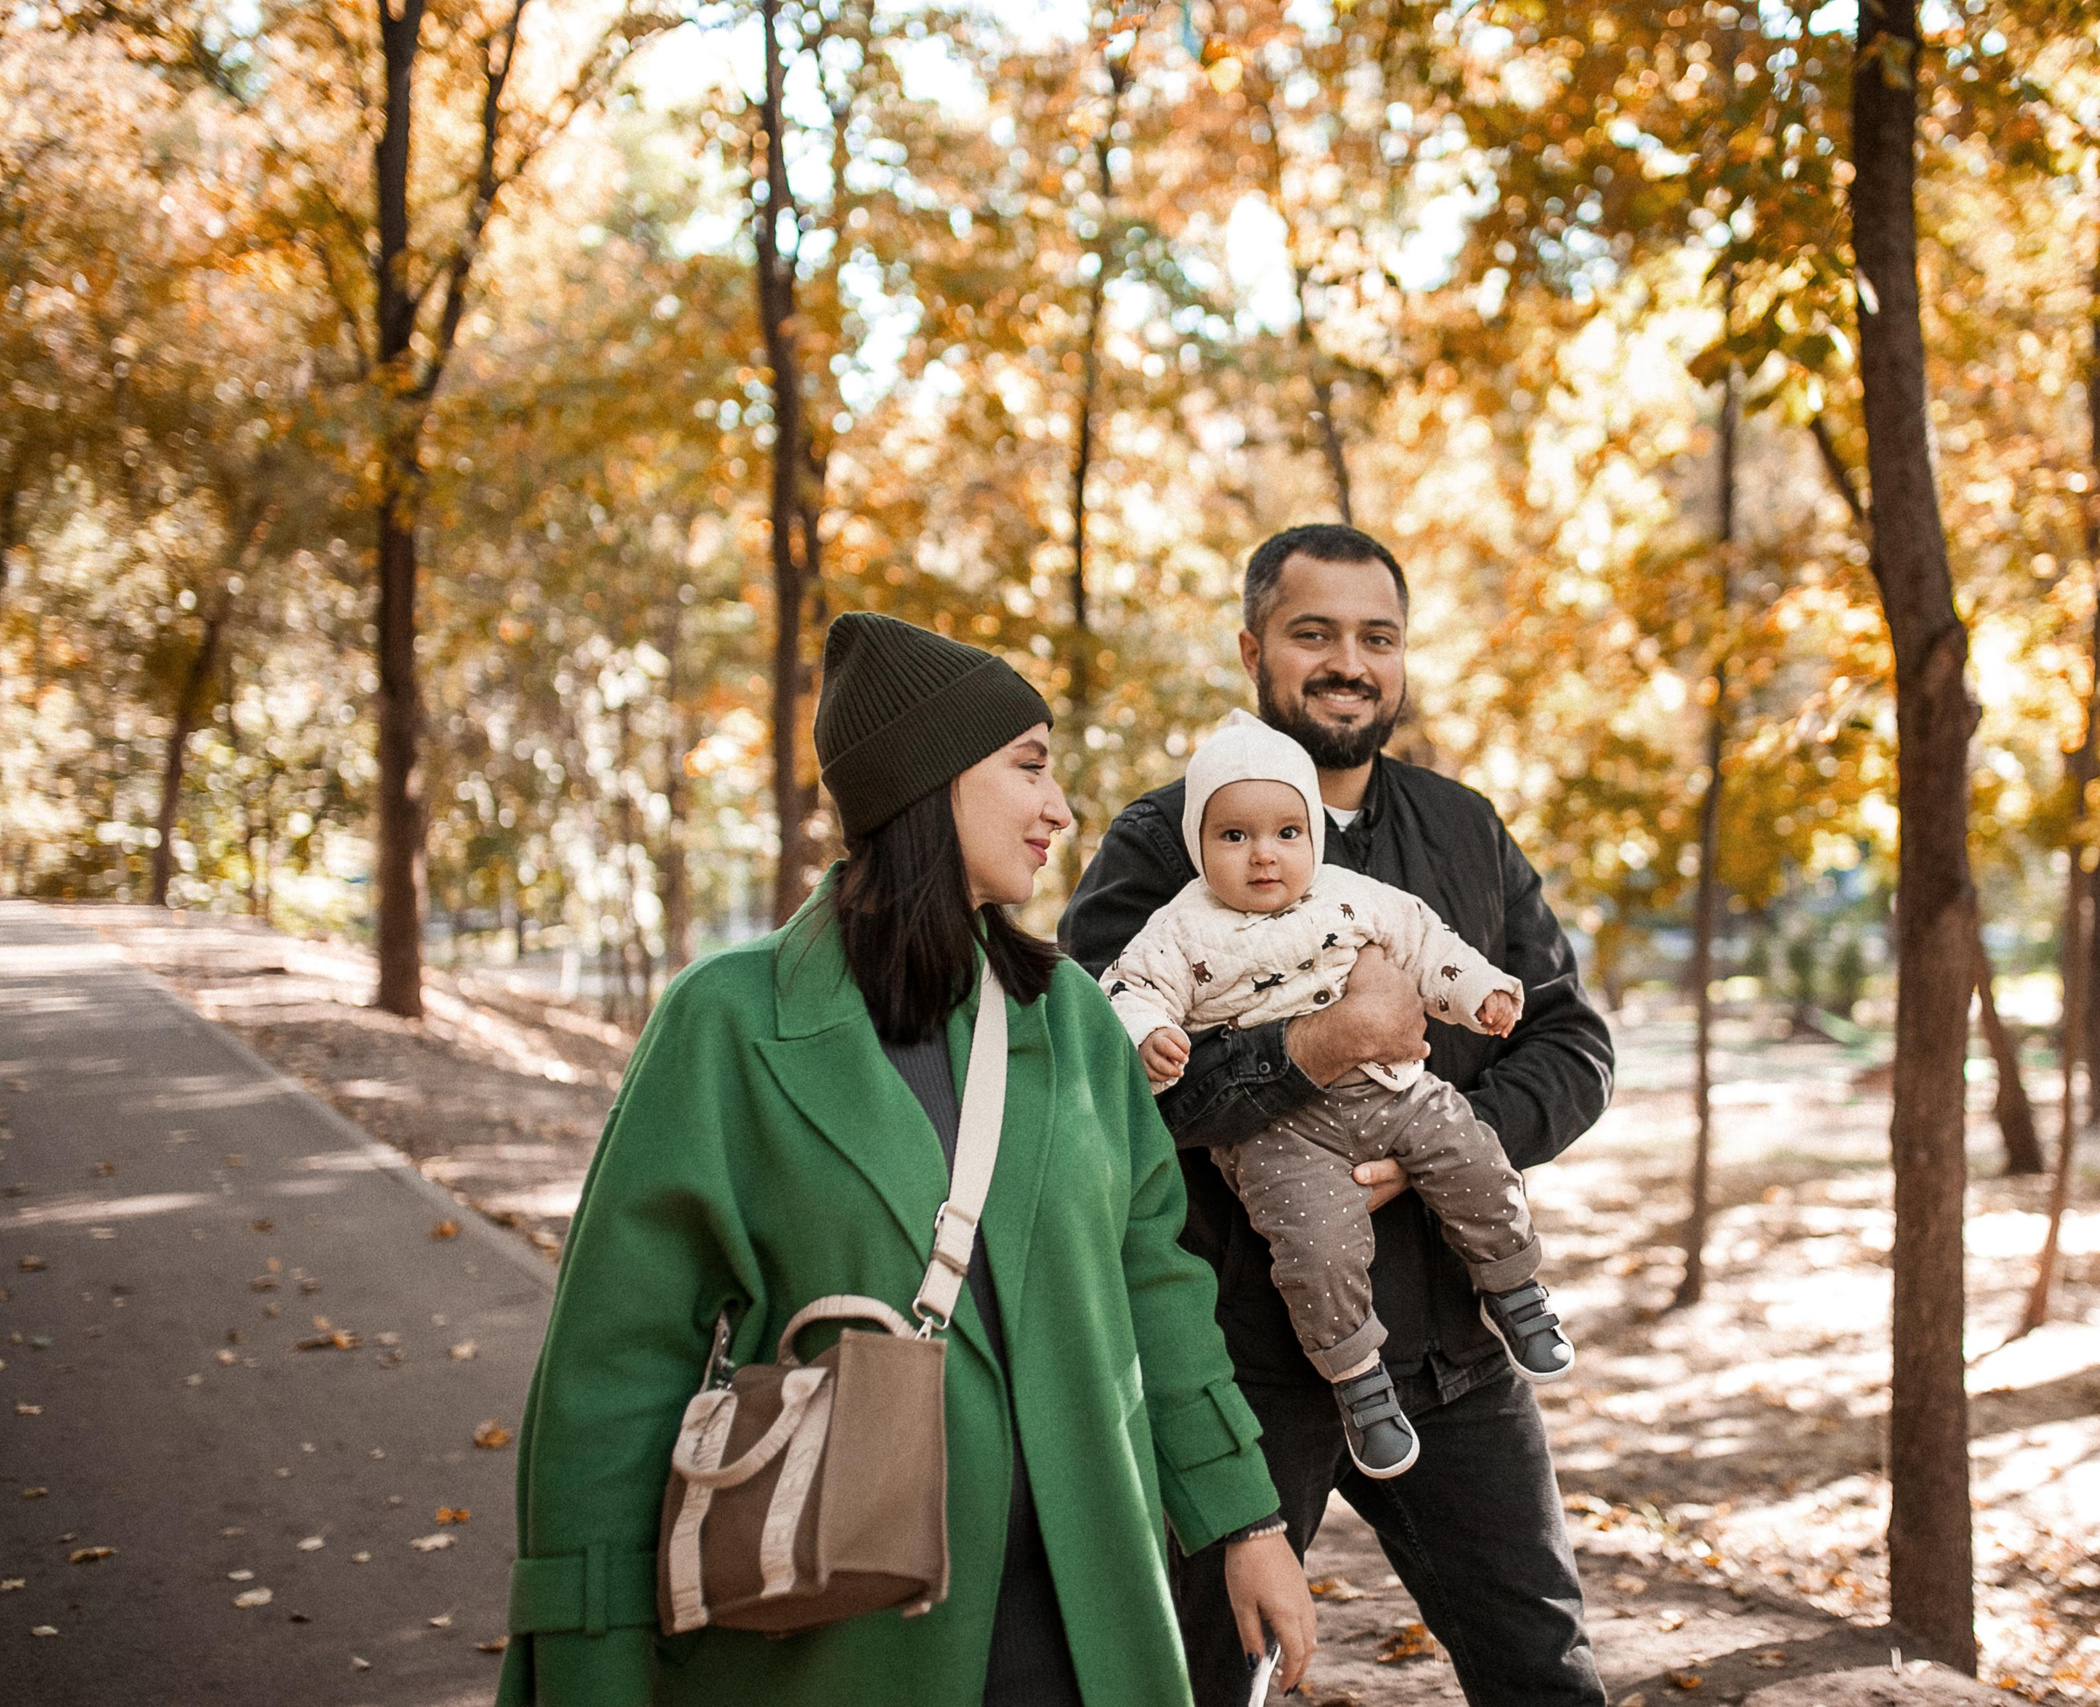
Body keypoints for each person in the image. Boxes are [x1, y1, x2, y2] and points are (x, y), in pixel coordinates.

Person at [500, 614, 1315, 1707]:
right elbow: (617, 1369)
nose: (1059, 809)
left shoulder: (1074, 1021)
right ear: (928, 784)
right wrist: (585, 1657)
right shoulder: (728, 1023)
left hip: (1086, 1627)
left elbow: (1155, 1287)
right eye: (1028, 766)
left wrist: (1244, 1519)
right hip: (832, 1640)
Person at [1061, 524, 1616, 1707]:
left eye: (1378, 638)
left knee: (1546, 1674)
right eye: (1314, 633)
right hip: (1243, 1364)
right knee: (1208, 1682)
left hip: (1461, 1354)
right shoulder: (1160, 844)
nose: (1347, 663)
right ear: (1255, 647)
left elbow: (1571, 1040)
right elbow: (1101, 1087)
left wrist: (1440, 1141)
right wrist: (1321, 1049)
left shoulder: (1462, 829)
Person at [1098, 709, 1571, 1481]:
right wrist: (1147, 1035)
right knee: (1315, 1248)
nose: (1264, 856)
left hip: (1391, 1088)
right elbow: (1125, 988)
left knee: (1472, 1151)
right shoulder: (1178, 928)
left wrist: (1480, 990)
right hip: (1278, 1130)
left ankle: (1515, 1287)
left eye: (1288, 832)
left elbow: (1428, 946)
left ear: (1313, 834)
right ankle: (1359, 1379)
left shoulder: (1351, 896)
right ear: (1198, 844)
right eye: (1234, 836)